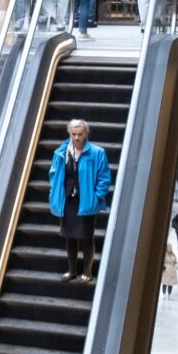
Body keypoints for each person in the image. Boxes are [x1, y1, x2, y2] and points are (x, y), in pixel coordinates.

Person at [48, 119, 113, 282]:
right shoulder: (61, 152)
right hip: (68, 200)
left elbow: (104, 178)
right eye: (74, 134)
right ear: (69, 134)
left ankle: (87, 271)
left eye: (80, 134)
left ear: (86, 134)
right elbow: (54, 174)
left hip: (86, 201)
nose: (77, 138)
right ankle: (72, 270)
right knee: (69, 236)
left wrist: (96, 197)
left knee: (86, 237)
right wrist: (54, 193)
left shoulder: (97, 152)